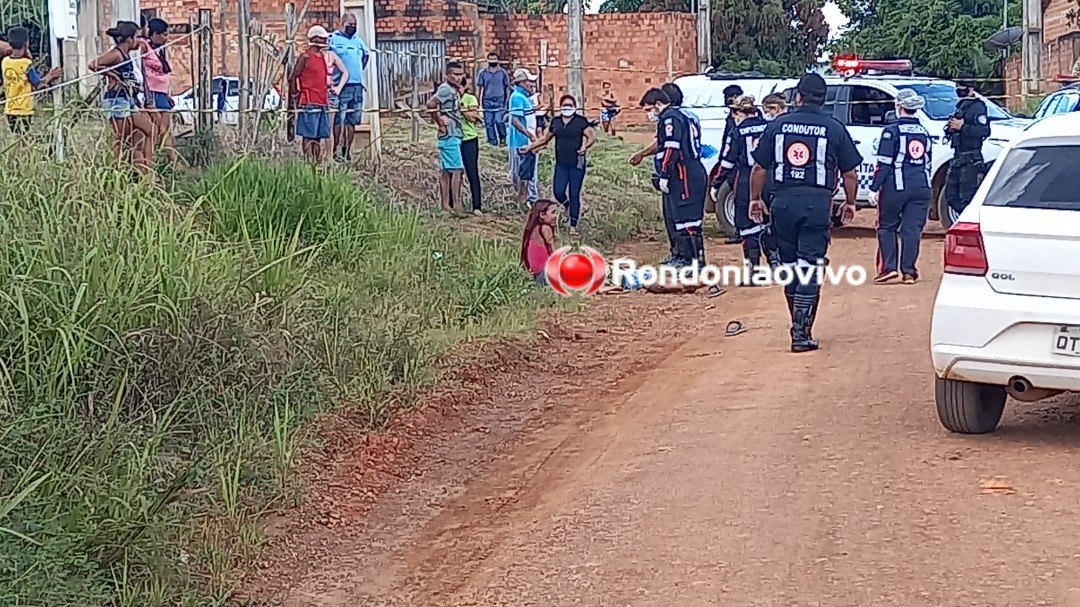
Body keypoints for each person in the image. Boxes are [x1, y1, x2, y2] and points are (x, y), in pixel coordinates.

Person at [749, 73, 861, 353]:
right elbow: (849, 173)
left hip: (782, 203)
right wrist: (850, 203)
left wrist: (754, 200)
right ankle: (801, 331)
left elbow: (759, 168)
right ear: (823, 100)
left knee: (789, 266)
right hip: (817, 205)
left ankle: (797, 323)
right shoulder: (834, 128)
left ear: (797, 97)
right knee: (811, 264)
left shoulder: (777, 126)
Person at [870, 89, 932, 285]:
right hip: (922, 187)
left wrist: (874, 188)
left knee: (887, 226)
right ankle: (909, 272)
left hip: (896, 187)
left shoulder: (892, 131)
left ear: (898, 106)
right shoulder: (924, 132)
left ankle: (888, 268)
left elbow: (884, 163)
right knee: (912, 230)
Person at [647, 87, 708, 269]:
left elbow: (671, 147)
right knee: (681, 221)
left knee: (689, 222)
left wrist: (664, 173)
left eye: (649, 109)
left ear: (658, 104)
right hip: (683, 173)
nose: (649, 114)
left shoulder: (671, 118)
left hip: (684, 174)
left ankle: (696, 262)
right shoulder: (683, 116)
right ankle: (687, 259)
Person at [522, 94, 595, 236]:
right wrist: (530, 147)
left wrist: (585, 146)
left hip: (577, 164)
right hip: (561, 163)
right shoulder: (556, 122)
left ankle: (573, 225)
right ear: (561, 106)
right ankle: (566, 205)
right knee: (558, 191)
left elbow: (590, 136)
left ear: (574, 106)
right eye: (565, 105)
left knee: (574, 193)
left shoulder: (580, 121)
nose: (567, 108)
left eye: (570, 105)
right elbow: (545, 139)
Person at [89, 21, 155, 173]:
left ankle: (146, 173)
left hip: (128, 100)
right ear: (129, 39)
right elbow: (93, 65)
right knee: (120, 140)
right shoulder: (116, 54)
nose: (139, 41)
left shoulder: (126, 56)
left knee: (140, 135)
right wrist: (112, 75)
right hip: (116, 100)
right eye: (137, 37)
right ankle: (116, 175)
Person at [720, 94, 773, 281]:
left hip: (745, 181)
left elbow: (726, 162)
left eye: (735, 111)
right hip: (769, 181)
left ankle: (753, 273)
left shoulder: (737, 132)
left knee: (747, 226)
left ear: (740, 112)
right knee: (768, 224)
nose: (734, 115)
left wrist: (716, 182)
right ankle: (776, 266)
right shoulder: (769, 127)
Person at [289, 26, 346, 166]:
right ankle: (309, 164)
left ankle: (318, 163)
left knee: (320, 135)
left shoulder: (322, 57)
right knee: (308, 135)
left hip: (322, 101)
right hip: (309, 101)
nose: (326, 40)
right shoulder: (305, 56)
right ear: (315, 39)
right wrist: (295, 95)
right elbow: (293, 77)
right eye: (323, 38)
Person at [943, 75, 990, 217]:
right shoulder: (961, 105)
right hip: (958, 156)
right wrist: (951, 128)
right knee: (951, 196)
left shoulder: (978, 107)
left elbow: (984, 131)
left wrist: (963, 127)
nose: (958, 89)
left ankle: (970, 223)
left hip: (971, 158)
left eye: (961, 86)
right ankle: (965, 217)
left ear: (970, 88)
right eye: (956, 86)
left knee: (967, 197)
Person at [2, 27, 62, 134]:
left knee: (16, 137)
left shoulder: (5, 62)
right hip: (24, 110)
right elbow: (38, 84)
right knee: (25, 137)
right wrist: (50, 75)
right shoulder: (26, 64)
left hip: (9, 109)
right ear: (26, 44)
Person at [329, 13, 369, 162]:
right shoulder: (333, 39)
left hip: (357, 86)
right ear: (342, 23)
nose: (352, 27)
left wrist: (356, 72)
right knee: (339, 119)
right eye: (350, 24)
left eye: (354, 25)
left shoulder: (358, 42)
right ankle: (334, 151)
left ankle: (346, 152)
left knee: (352, 121)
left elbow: (366, 57)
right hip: (341, 86)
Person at [427, 60, 466, 212]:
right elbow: (431, 104)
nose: (458, 77)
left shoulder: (453, 89)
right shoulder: (445, 90)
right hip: (449, 134)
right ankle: (455, 204)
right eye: (455, 74)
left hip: (454, 133)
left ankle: (445, 205)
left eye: (460, 74)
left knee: (446, 171)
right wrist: (440, 121)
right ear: (448, 75)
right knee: (457, 170)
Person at [139, 18, 177, 163]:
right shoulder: (145, 47)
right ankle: (165, 161)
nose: (166, 38)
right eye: (164, 35)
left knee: (164, 130)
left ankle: (170, 163)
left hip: (162, 94)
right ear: (154, 34)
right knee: (155, 131)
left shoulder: (160, 50)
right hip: (152, 94)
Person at [710, 84, 745, 244]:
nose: (730, 99)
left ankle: (741, 231)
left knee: (740, 197)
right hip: (735, 164)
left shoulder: (745, 118)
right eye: (728, 97)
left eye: (733, 96)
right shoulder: (731, 118)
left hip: (740, 165)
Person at [509, 68, 539, 206]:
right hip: (522, 142)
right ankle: (526, 201)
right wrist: (530, 136)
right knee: (524, 174)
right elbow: (515, 120)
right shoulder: (517, 98)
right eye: (528, 81)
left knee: (528, 173)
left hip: (526, 141)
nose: (531, 84)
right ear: (521, 82)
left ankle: (528, 200)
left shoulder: (524, 98)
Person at [459, 74, 484, 215]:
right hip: (455, 138)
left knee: (472, 172)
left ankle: (477, 205)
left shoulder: (470, 99)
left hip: (469, 139)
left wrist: (461, 106)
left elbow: (473, 117)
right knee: (455, 172)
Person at [475, 51, 510, 146]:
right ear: (487, 60)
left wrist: (507, 101)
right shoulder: (483, 73)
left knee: (499, 121)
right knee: (489, 123)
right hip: (487, 100)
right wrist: (477, 101)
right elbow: (479, 87)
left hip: (499, 100)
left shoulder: (502, 72)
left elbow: (507, 87)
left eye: (494, 59)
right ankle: (492, 142)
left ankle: (503, 138)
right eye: (490, 59)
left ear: (498, 60)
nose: (492, 61)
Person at [521, 199, 559, 283]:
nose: (556, 216)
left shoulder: (533, 230)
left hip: (537, 275)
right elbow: (554, 254)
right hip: (546, 272)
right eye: (553, 213)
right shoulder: (545, 228)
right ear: (542, 214)